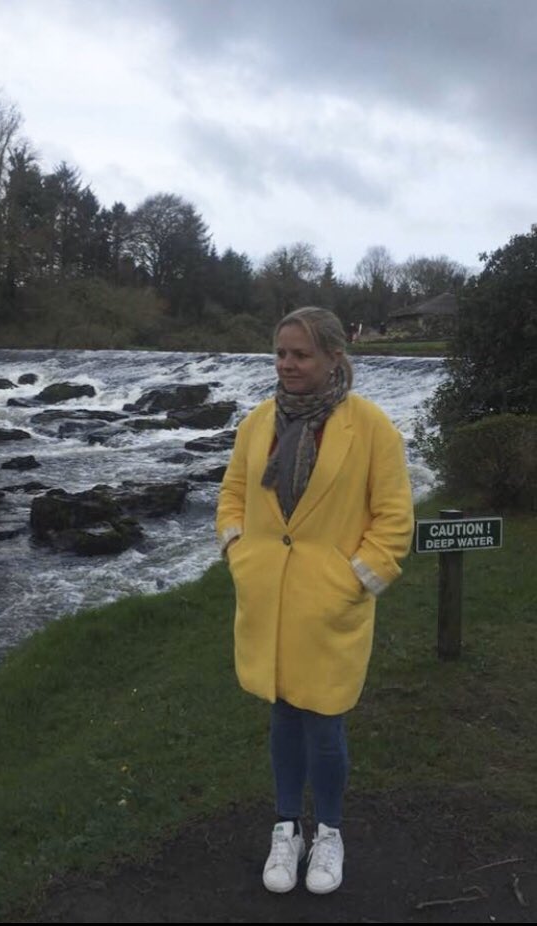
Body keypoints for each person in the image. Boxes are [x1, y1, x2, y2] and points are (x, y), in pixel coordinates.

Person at [216, 306, 413, 896]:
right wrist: (237, 551)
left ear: (333, 359)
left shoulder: (371, 427)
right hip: (268, 598)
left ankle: (328, 832)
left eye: (301, 354)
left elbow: (394, 519)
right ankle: (286, 827)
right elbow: (231, 494)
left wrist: (353, 580)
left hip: (329, 606)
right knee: (282, 714)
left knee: (325, 724)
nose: (288, 364)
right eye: (281, 353)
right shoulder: (257, 423)